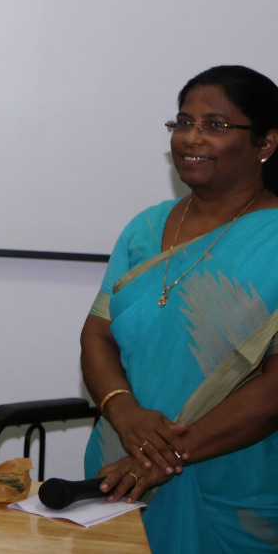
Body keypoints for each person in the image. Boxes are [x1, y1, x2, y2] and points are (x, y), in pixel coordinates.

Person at [80, 64, 278, 553]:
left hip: (235, 489)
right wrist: (124, 412)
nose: (191, 137)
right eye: (183, 122)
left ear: (266, 143)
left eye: (216, 125)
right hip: (118, 472)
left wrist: (163, 457)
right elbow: (97, 335)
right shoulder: (145, 228)